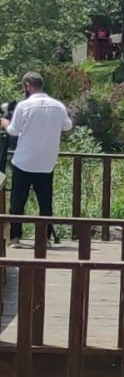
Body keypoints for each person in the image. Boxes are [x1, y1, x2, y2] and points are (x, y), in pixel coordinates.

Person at [2, 72, 73, 247]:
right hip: (46, 162)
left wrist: (4, 122)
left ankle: (15, 237)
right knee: (45, 202)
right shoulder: (58, 106)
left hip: (24, 161)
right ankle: (45, 238)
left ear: (27, 85)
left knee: (18, 201)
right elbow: (67, 125)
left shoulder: (24, 106)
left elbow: (13, 130)